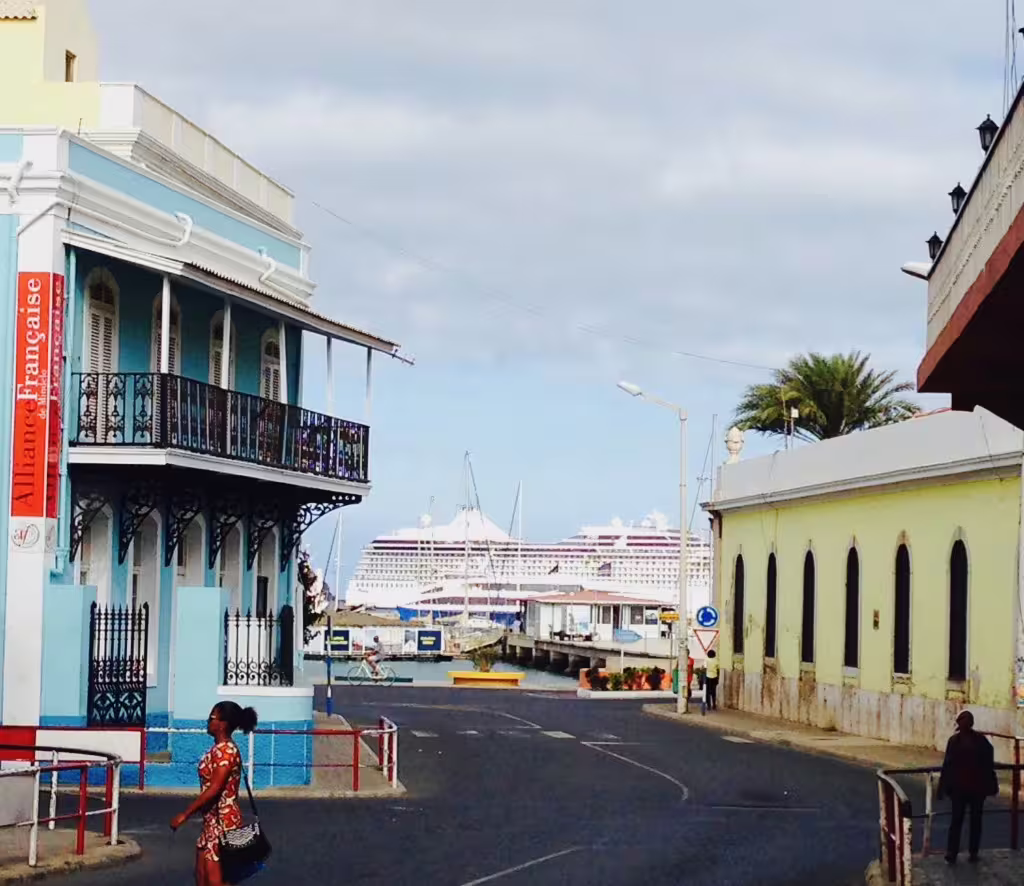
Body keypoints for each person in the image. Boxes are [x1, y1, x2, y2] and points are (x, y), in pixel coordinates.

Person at [171, 701, 259, 885]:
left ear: (223, 724)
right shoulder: (217, 749)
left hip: (225, 825)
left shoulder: (227, 751)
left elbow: (215, 788)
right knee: (201, 877)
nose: (207, 721)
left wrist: (185, 814)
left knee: (215, 880)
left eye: (212, 718)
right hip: (211, 824)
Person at [938, 710, 998, 864]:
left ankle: (955, 853)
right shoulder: (980, 741)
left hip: (963, 788)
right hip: (973, 788)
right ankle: (969, 852)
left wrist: (942, 787)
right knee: (972, 821)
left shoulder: (955, 741)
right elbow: (988, 762)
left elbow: (947, 766)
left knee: (959, 821)